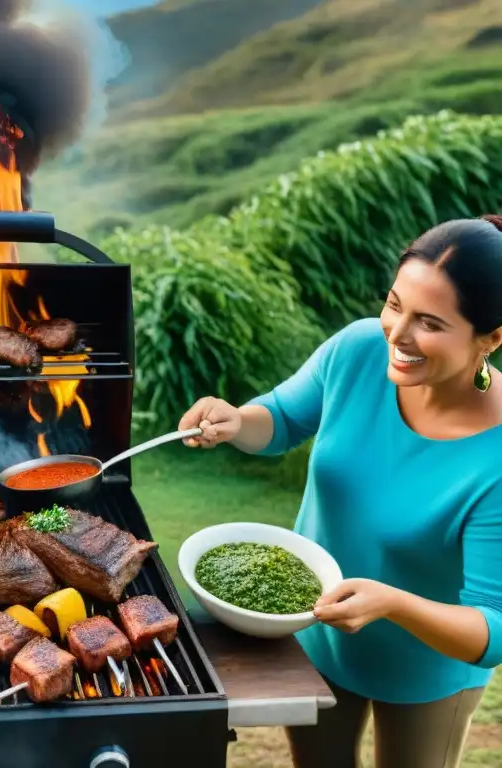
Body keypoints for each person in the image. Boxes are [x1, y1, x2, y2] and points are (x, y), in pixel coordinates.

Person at [177, 215, 502, 768]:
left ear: (491, 338)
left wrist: (392, 603)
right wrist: (237, 420)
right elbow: (279, 419)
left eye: (429, 322)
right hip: (316, 640)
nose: (396, 336)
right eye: (394, 305)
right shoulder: (355, 350)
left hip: (425, 669)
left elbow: (493, 626)